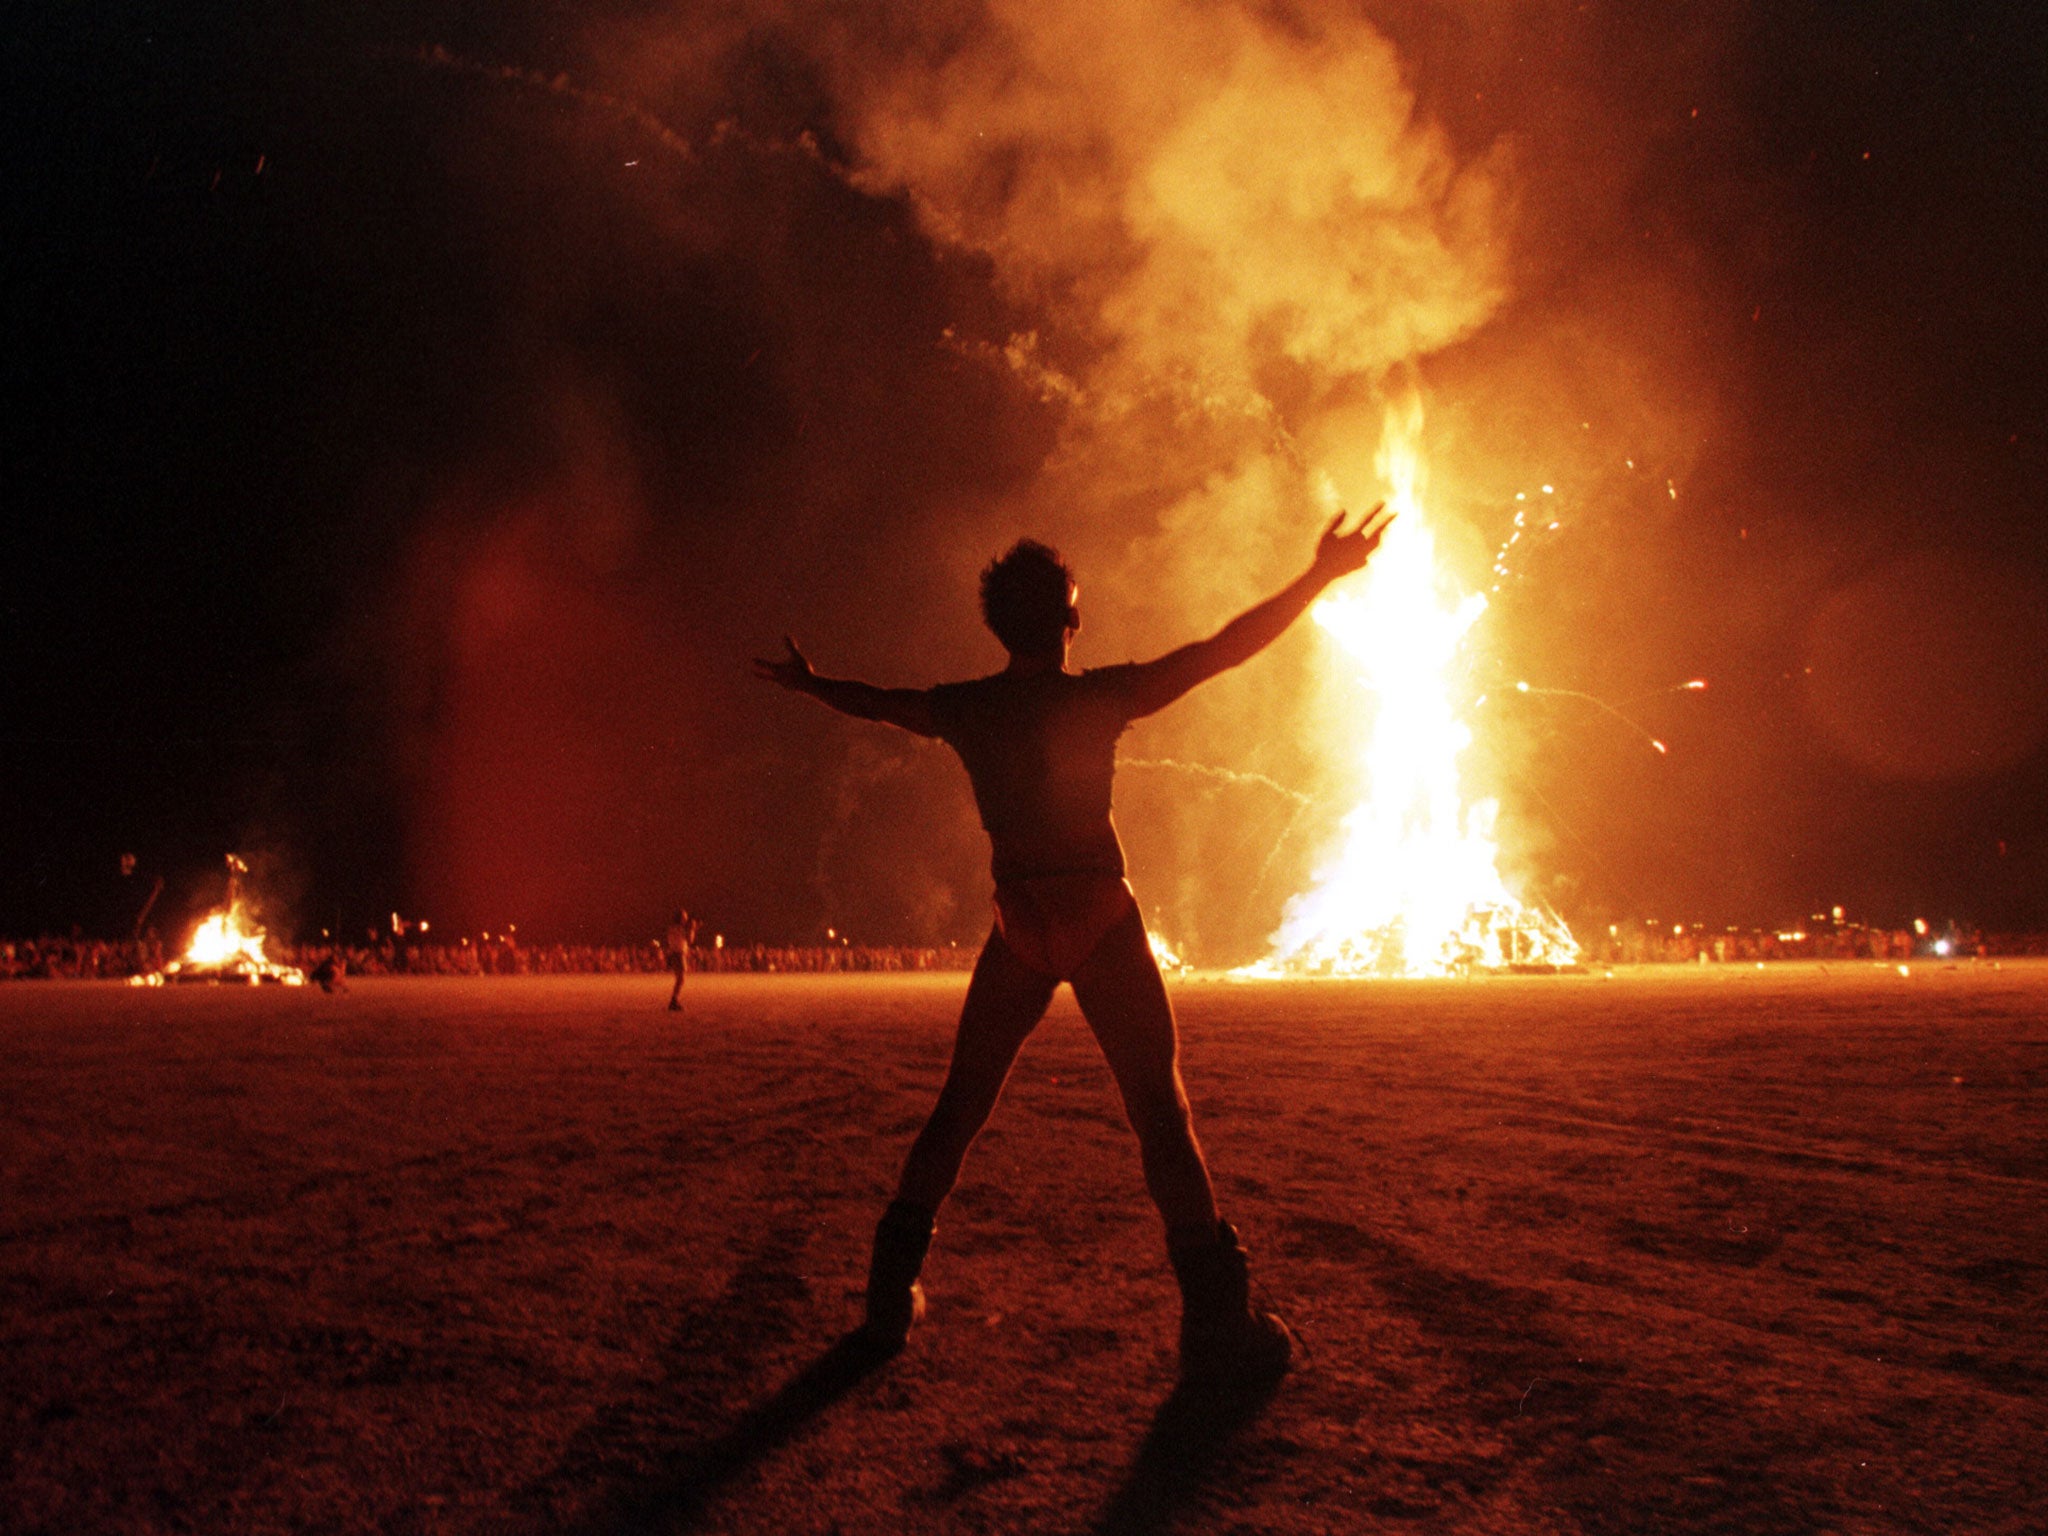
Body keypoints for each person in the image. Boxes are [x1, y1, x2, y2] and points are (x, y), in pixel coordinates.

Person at [754, 506, 1390, 1386]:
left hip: (1021, 921)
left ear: (999, 625)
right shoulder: (1099, 696)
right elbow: (1223, 649)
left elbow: (877, 704)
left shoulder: (966, 709)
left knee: (961, 1107)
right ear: (1069, 620)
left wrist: (811, 682)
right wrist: (1321, 575)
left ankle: (888, 1299)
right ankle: (1216, 1325)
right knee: (1159, 1116)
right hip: (1097, 912)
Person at [665, 908, 698, 1011]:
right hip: (679, 954)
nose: (686, 918)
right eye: (685, 916)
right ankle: (674, 1000)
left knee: (679, 978)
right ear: (681, 918)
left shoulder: (671, 928)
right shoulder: (682, 929)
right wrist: (692, 929)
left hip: (673, 953)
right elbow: (690, 941)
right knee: (681, 979)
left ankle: (674, 1000)